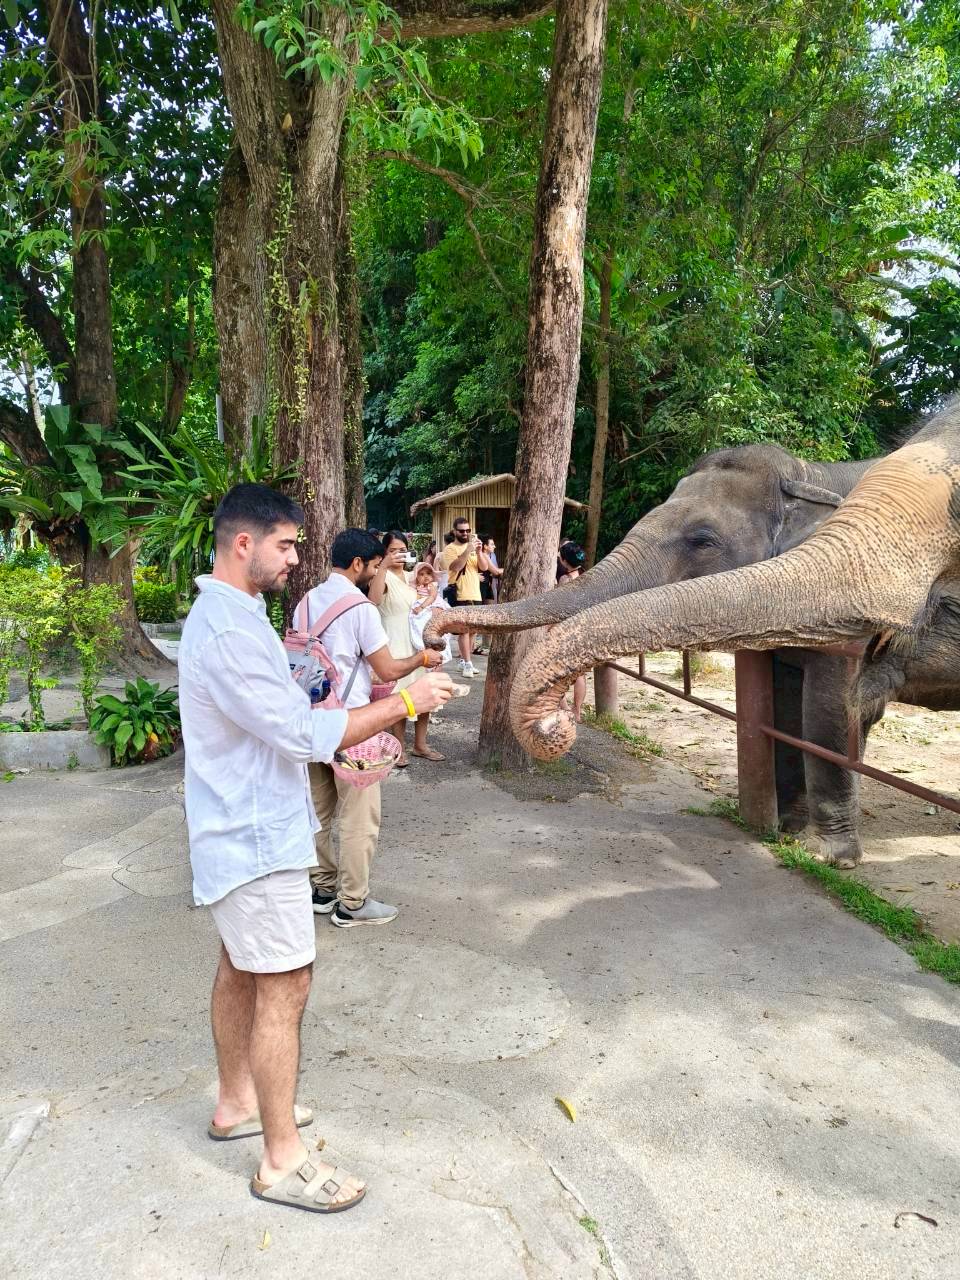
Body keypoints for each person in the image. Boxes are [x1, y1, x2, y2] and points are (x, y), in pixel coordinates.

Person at [178, 485, 452, 1216]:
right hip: (254, 835)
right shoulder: (231, 630)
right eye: (288, 545)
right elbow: (298, 734)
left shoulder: (242, 617)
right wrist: (407, 703)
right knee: (286, 983)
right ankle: (281, 1160)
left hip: (249, 826)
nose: (298, 558)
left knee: (243, 966)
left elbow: (287, 709)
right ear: (245, 544)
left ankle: (238, 1101)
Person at [296, 529, 446, 927]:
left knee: (319, 811)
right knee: (359, 816)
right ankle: (353, 903)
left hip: (311, 720)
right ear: (359, 563)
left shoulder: (307, 601)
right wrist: (421, 660)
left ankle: (322, 889)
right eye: (374, 565)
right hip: (351, 724)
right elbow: (387, 669)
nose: (376, 573)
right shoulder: (360, 609)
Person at [367, 531, 445, 764]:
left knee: (425, 692)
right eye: (392, 550)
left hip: (418, 640)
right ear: (383, 553)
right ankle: (398, 746)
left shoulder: (415, 577)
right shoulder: (381, 576)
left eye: (402, 550)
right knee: (400, 696)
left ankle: (421, 744)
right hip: (393, 640)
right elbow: (374, 601)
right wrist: (383, 567)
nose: (398, 555)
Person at [437, 517, 489, 677]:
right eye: (462, 530)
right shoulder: (450, 549)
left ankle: (465, 661)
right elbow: (455, 566)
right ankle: (467, 663)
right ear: (454, 531)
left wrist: (479, 552)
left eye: (468, 530)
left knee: (473, 630)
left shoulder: (474, 549)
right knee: (464, 630)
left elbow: (484, 567)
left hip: (475, 592)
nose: (465, 533)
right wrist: (468, 550)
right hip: (459, 592)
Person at [556, 540, 587, 721]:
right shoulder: (586, 576)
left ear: (564, 560)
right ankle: (577, 711)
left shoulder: (565, 580)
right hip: (583, 629)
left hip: (567, 630)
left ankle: (565, 707)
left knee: (560, 671)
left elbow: (560, 608)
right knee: (580, 674)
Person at [474, 536, 503, 655]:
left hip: (488, 587)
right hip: (481, 588)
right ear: (485, 546)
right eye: (491, 544)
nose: (494, 546)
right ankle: (475, 645)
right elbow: (495, 571)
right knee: (481, 616)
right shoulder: (484, 555)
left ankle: (486, 645)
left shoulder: (490, 555)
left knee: (489, 615)